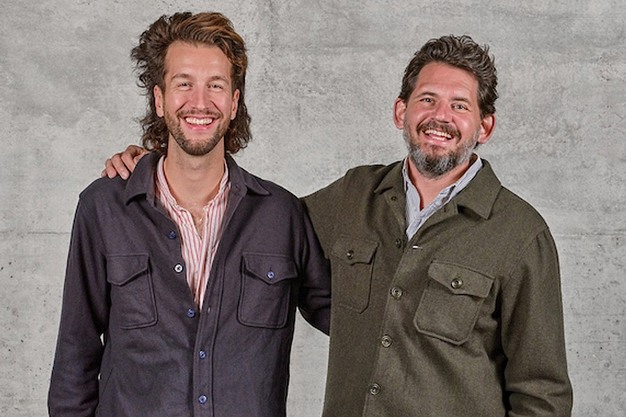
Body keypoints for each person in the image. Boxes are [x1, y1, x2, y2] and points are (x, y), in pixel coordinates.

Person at [103, 35, 573, 416]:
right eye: (427, 99)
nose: (440, 117)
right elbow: (256, 220)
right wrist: (162, 166)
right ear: (401, 112)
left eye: (460, 106)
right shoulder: (353, 196)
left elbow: (542, 394)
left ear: (484, 127)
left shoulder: (520, 234)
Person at [49, 12, 330, 417]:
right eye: (184, 84)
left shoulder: (281, 215)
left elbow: (352, 320)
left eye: (215, 85)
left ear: (234, 102)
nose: (200, 102)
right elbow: (74, 359)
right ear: (159, 99)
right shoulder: (104, 207)